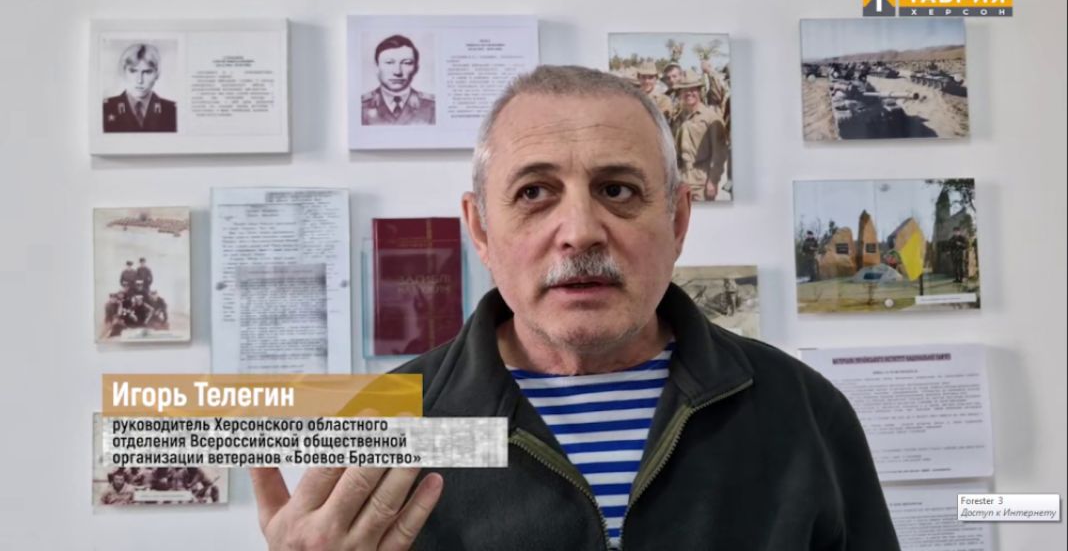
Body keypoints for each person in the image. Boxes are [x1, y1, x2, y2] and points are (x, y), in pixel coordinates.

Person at [251, 66, 899, 550]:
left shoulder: (800, 409)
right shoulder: (384, 425)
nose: (581, 231)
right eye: (535, 193)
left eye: (617, 190)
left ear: (677, 221)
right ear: (480, 230)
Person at [670, 69, 729, 202]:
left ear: (699, 91)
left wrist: (713, 181)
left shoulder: (711, 118)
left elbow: (719, 153)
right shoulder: (678, 118)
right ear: (680, 93)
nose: (689, 93)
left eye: (693, 89)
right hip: (681, 180)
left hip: (701, 181)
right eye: (685, 90)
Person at [361, 35, 436, 126]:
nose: (398, 72)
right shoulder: (360, 107)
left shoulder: (433, 107)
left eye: (406, 63)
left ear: (416, 68)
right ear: (376, 67)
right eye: (389, 62)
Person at [103, 43, 177, 133]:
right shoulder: (105, 108)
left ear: (157, 74)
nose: (139, 80)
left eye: (147, 72)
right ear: (123, 72)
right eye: (133, 71)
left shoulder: (172, 110)